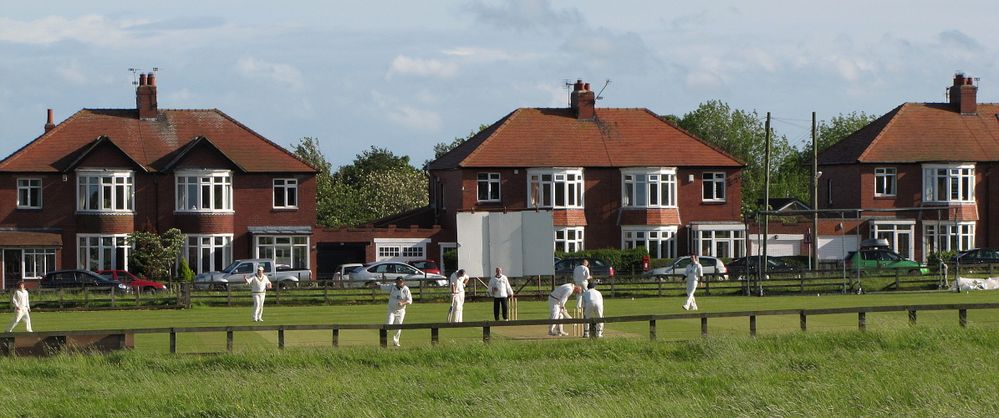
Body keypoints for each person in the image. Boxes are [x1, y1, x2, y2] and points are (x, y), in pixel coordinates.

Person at [385, 277, 413, 346]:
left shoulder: (406, 289)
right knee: (389, 324)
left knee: (398, 327)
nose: (399, 283)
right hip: (391, 310)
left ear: (403, 282)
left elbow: (410, 301)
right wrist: (375, 284)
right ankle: (383, 340)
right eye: (398, 281)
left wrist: (402, 303)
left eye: (400, 282)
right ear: (396, 282)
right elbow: (381, 286)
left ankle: (396, 342)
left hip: (401, 311)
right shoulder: (392, 287)